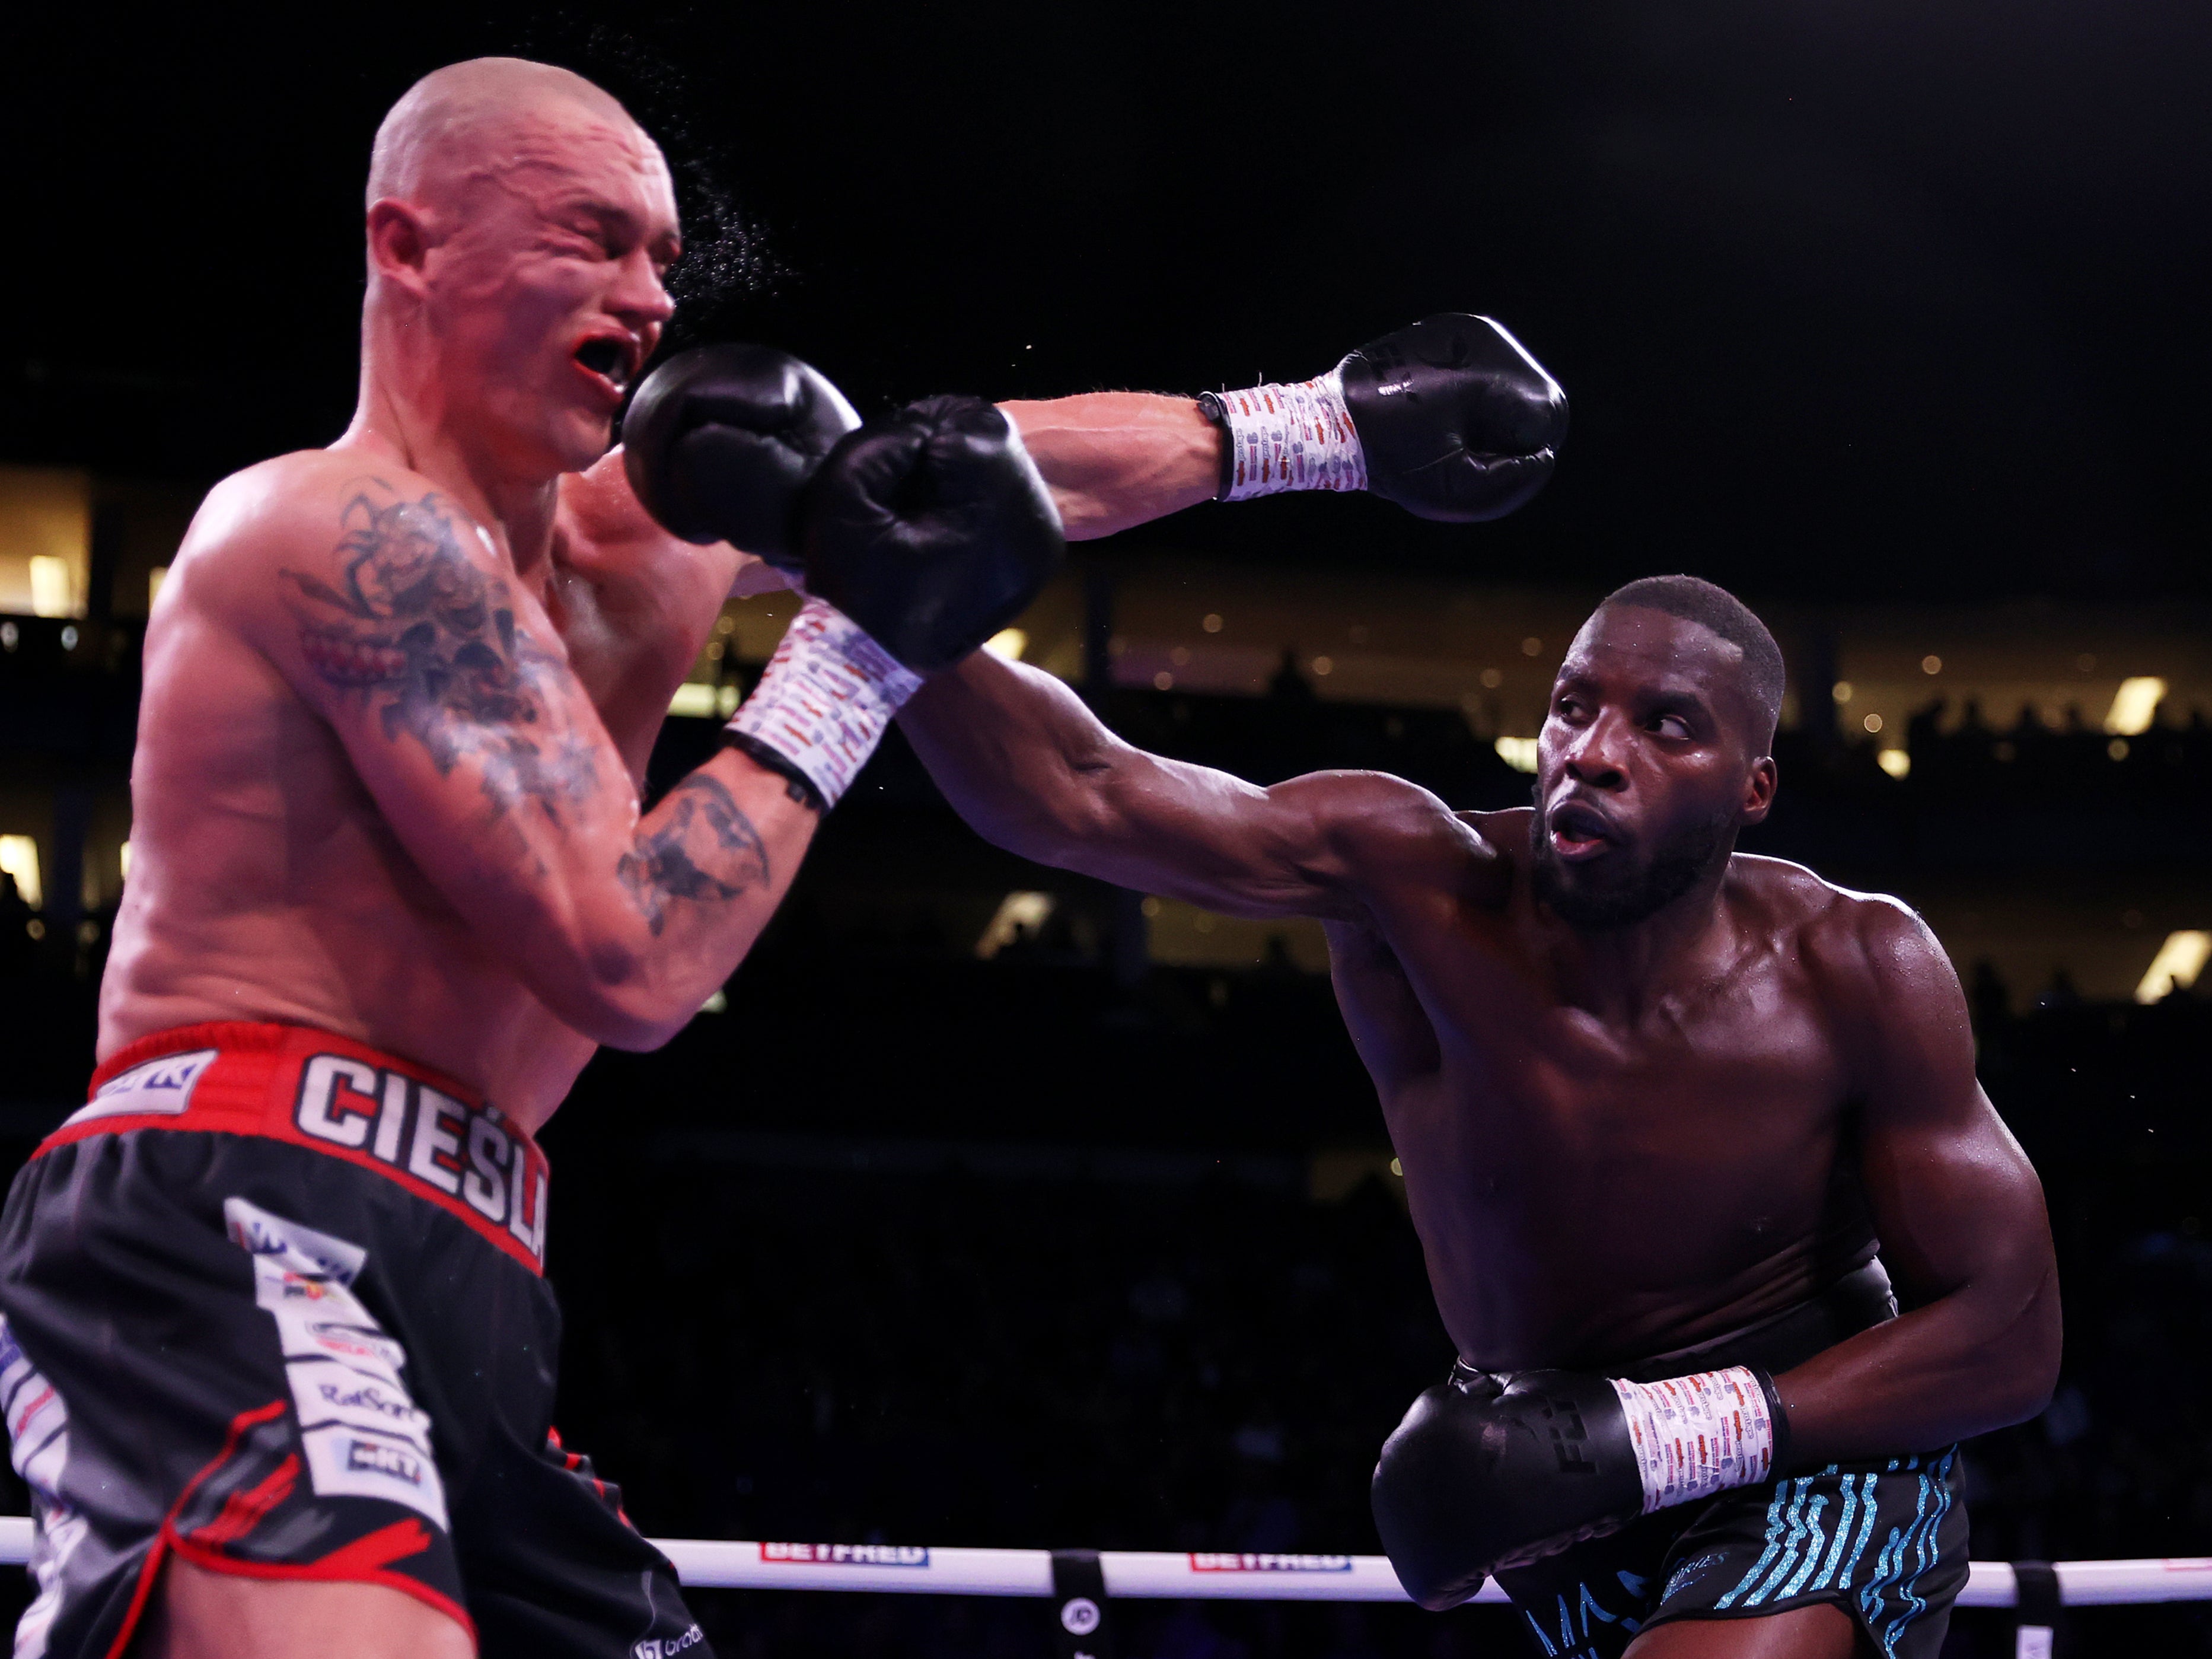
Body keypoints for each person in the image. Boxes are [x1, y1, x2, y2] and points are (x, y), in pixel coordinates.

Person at [0, 57, 1072, 1659]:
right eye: (594, 238)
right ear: (408, 245)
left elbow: (977, 464)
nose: (651, 293)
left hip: (481, 1263)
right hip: (242, 1201)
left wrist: (1309, 428)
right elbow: (632, 960)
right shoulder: (321, 523)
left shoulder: (632, 552)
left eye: (662, 253)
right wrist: (851, 661)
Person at [895, 576, 2061, 1657]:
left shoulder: (1854, 963)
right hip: (1560, 1493)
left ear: (1751, 784)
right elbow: (1080, 791)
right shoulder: (1411, 880)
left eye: (1663, 724)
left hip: (1813, 1448)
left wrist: (1667, 1437)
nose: (1593, 754)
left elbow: (2010, 1332)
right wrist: (884, 602)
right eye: (1571, 707)